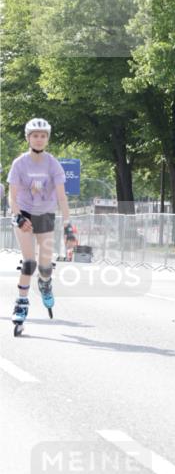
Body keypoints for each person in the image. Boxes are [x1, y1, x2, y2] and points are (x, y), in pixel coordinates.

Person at [7, 118, 73, 325]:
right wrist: (17, 215)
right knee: (29, 262)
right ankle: (21, 302)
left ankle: (45, 283)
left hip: (45, 215)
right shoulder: (19, 163)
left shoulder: (53, 164)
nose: (39, 139)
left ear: (47, 139)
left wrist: (68, 225)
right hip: (24, 214)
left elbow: (62, 197)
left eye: (43, 136)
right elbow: (12, 195)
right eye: (35, 135)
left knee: (45, 267)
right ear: (28, 138)